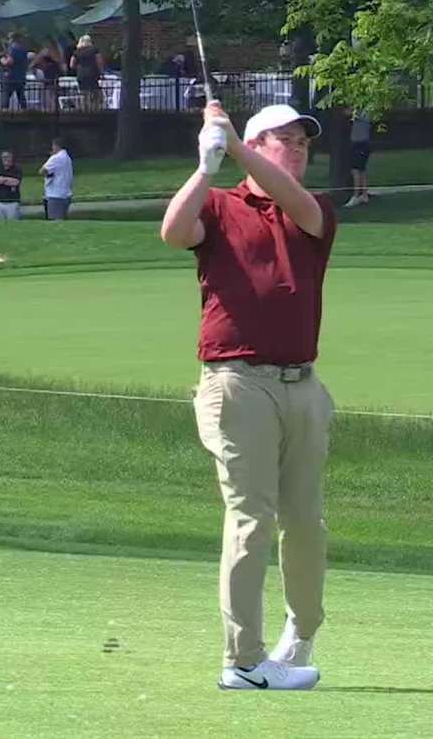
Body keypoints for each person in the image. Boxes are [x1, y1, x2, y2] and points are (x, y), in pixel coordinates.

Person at [159, 101, 337, 692]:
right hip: (237, 383)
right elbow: (173, 231)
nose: (297, 149)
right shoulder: (220, 204)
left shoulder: (312, 214)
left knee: (306, 523)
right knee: (250, 519)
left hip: (303, 386)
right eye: (283, 140)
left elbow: (300, 205)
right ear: (259, 147)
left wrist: (234, 145)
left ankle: (301, 632)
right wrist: (208, 165)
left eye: (303, 143)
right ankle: (243, 661)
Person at [39, 138, 74, 220]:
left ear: (56, 146)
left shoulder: (56, 158)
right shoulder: (67, 158)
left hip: (55, 195)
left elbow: (42, 170)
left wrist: (49, 175)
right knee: (62, 219)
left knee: (55, 221)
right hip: (66, 193)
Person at [346, 112, 373, 208]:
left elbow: (348, 113)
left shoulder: (361, 110)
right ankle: (364, 195)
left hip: (360, 143)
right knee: (361, 170)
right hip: (361, 143)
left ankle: (356, 195)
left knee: (356, 170)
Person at [70, 35, 102, 111]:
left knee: (84, 93)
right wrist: (101, 71)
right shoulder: (94, 50)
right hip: (93, 73)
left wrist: (78, 68)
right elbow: (99, 62)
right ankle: (95, 109)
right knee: (95, 92)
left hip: (81, 74)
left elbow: (71, 64)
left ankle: (85, 109)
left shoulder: (76, 52)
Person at [1, 32, 31, 110]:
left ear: (12, 39)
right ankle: (24, 111)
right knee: (21, 95)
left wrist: (2, 60)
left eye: (9, 39)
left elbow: (10, 62)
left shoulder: (12, 48)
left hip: (11, 76)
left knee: (6, 95)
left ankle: (4, 111)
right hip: (21, 75)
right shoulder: (23, 49)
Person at [0, 149, 24, 220]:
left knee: (13, 225)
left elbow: (16, 182)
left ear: (11, 157)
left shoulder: (17, 169)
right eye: (3, 157)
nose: (5, 159)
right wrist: (8, 180)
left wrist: (2, 179)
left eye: (7, 157)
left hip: (12, 202)